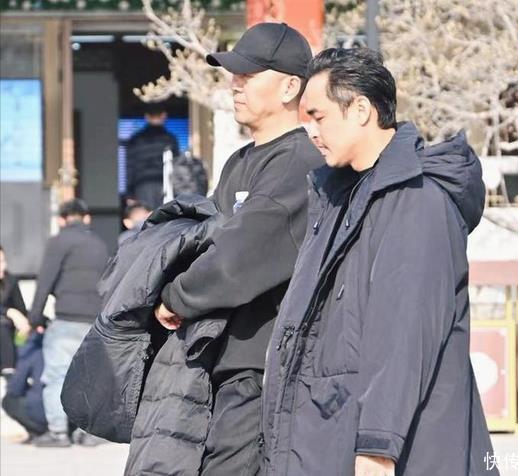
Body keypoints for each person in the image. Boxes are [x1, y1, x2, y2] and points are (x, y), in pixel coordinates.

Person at [261, 48, 498, 476]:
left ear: (360, 110)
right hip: (333, 442)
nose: (310, 130)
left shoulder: (417, 200)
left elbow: (405, 332)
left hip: (405, 454)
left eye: (318, 116)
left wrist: (377, 446)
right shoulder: (339, 199)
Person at [124, 22, 324, 475]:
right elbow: (205, 240)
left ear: (290, 87)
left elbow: (236, 259)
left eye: (249, 75)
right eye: (234, 73)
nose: (235, 84)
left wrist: (174, 299)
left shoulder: (299, 163)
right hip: (218, 360)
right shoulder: (240, 160)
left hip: (262, 367)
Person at [29, 199, 109, 447]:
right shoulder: (100, 245)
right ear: (86, 218)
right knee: (89, 378)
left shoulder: (58, 242)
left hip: (66, 319)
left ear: (61, 219)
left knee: (56, 376)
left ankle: (58, 433)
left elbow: (45, 282)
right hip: (94, 322)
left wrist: (34, 318)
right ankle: (89, 433)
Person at [126, 103, 180, 209]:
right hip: (164, 184)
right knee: (164, 216)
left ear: (146, 116)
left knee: (145, 216)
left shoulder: (136, 140)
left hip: (142, 184)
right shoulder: (170, 139)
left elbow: (130, 167)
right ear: (164, 115)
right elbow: (176, 166)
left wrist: (129, 193)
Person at [2, 332, 47, 442]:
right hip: (72, 414)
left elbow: (15, 388)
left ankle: (37, 431)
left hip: (42, 411)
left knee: (8, 400)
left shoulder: (32, 349)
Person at [0, 245, 30, 374]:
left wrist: (35, 321)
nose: (3, 266)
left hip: (12, 335)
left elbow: (21, 310)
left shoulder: (10, 280)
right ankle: (8, 370)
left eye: (3, 261)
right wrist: (9, 312)